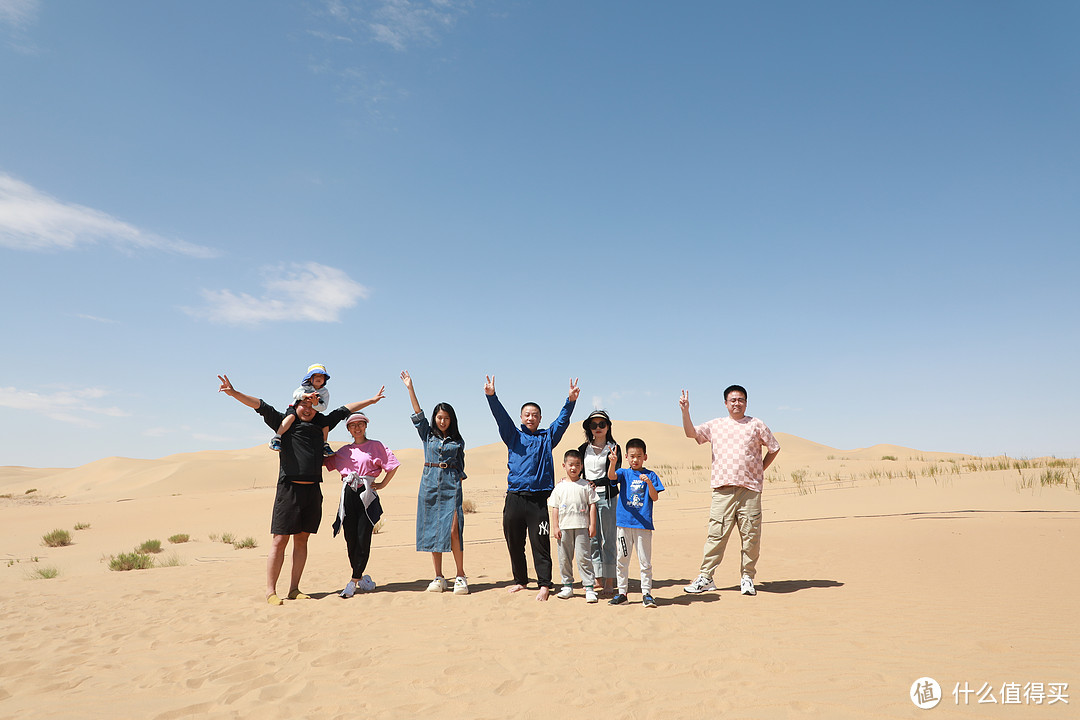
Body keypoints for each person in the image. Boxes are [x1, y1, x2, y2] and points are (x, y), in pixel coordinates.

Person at [216, 374, 385, 605]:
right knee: (279, 540)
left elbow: (345, 409)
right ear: (295, 404)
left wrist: (371, 401)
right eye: (302, 404)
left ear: (316, 406)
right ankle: (270, 591)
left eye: (311, 405)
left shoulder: (321, 423)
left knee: (302, 541)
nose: (307, 408)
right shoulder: (285, 423)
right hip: (289, 490)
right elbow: (260, 406)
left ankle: (294, 588)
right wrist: (234, 393)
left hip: (313, 491)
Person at [484, 375, 579, 601]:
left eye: (535, 415)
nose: (531, 418)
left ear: (540, 418)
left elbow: (562, 421)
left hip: (538, 501)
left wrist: (571, 401)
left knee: (540, 543)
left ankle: (545, 584)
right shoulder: (513, 435)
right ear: (521, 417)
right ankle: (521, 581)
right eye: (527, 414)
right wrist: (491, 397)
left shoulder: (548, 437)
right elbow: (501, 418)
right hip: (514, 498)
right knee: (514, 542)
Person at [680, 385, 780, 597]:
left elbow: (774, 447)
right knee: (716, 535)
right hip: (723, 490)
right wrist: (685, 411)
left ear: (746, 402)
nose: (737, 403)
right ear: (725, 403)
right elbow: (692, 434)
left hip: (750, 490)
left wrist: (760, 468)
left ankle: (747, 578)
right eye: (732, 400)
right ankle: (706, 577)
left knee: (751, 536)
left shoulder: (756, 424)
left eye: (741, 399)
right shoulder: (716, 425)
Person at [400, 370, 469, 595]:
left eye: (446, 418)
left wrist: (455, 483)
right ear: (435, 418)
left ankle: (460, 575)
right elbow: (417, 413)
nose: (442, 421)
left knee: (453, 530)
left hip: (451, 485)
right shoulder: (427, 435)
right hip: (429, 485)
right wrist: (410, 387)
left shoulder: (458, 441)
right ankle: (439, 577)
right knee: (433, 531)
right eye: (439, 417)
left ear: (452, 420)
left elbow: (461, 467)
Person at [324, 412, 399, 598]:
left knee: (363, 536)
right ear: (348, 429)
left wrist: (382, 484)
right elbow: (323, 461)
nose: (357, 428)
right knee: (350, 537)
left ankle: (353, 581)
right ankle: (362, 578)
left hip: (367, 495)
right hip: (348, 495)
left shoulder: (376, 446)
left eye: (360, 424)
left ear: (366, 426)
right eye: (352, 425)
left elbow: (393, 465)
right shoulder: (343, 451)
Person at [607, 438, 664, 608]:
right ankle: (622, 593)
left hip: (643, 526)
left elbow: (655, 497)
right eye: (632, 456)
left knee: (645, 561)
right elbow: (611, 477)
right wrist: (613, 463)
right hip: (624, 524)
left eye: (639, 456)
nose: (635, 459)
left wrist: (648, 483)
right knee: (622, 559)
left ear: (645, 457)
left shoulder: (651, 475)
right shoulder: (624, 473)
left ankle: (646, 593)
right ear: (626, 457)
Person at [577, 410, 622, 597]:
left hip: (608, 497)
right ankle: (597, 576)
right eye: (593, 425)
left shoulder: (614, 448)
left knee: (609, 539)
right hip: (588, 498)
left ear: (608, 426)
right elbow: (578, 472)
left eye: (601, 425)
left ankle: (610, 579)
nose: (597, 428)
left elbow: (614, 475)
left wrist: (598, 482)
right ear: (589, 427)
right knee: (592, 538)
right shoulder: (582, 449)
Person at [547, 449, 599, 602]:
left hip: (582, 526)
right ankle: (567, 585)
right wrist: (555, 527)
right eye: (570, 464)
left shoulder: (586, 485)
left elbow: (592, 505)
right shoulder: (559, 487)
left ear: (582, 466)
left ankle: (589, 587)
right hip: (564, 528)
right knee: (564, 558)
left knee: (584, 557)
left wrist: (592, 525)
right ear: (564, 465)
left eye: (577, 465)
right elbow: (555, 508)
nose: (573, 468)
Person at [270, 364, 334, 457]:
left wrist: (315, 404)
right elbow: (295, 394)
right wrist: (305, 395)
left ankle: (324, 444)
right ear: (309, 378)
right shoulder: (305, 386)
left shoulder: (325, 392)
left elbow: (324, 407)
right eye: (315, 375)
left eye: (321, 376)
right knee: (291, 417)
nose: (318, 378)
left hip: (314, 411)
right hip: (296, 408)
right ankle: (277, 437)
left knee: (325, 422)